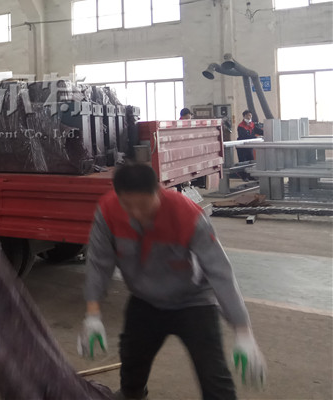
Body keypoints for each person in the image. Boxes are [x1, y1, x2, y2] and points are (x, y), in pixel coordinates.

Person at [78, 162, 265, 400]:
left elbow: (220, 272)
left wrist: (243, 331)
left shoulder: (188, 215)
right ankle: (133, 393)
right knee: (132, 362)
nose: (136, 214)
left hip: (194, 302)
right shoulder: (108, 211)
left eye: (143, 206)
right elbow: (98, 263)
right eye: (128, 206)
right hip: (145, 301)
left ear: (158, 191)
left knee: (214, 376)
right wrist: (92, 314)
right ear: (118, 196)